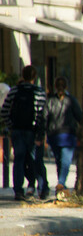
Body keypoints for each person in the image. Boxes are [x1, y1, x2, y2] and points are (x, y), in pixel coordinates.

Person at [0, 66, 46, 201]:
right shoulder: (39, 92)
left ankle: (18, 190)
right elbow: (42, 115)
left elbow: (4, 111)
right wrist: (40, 132)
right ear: (34, 77)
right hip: (32, 131)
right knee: (33, 159)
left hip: (17, 130)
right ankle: (36, 187)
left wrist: (11, 126)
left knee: (18, 160)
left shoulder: (14, 91)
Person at [43, 77, 83, 198]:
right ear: (66, 87)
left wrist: (43, 135)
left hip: (54, 135)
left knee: (59, 161)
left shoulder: (50, 101)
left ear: (55, 86)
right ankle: (61, 183)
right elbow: (80, 117)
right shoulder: (71, 100)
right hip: (68, 134)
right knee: (66, 161)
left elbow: (44, 118)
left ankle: (61, 186)